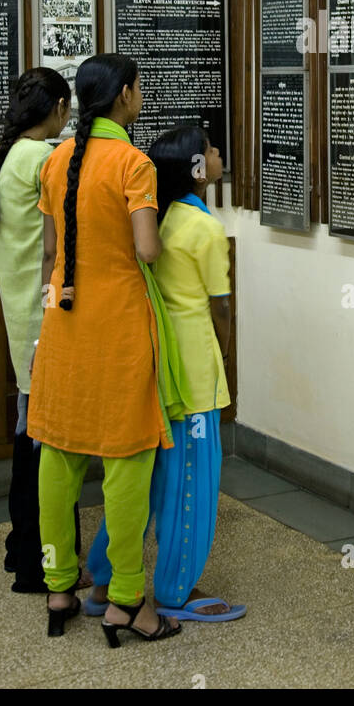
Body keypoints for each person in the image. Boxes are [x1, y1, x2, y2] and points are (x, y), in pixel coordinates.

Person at [27, 53, 182, 644]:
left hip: (63, 322)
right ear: (123, 96)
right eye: (139, 88)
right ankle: (125, 602)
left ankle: (59, 586)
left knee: (58, 456)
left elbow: (49, 254)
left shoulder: (57, 158)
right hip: (118, 326)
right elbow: (146, 251)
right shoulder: (133, 162)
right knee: (126, 461)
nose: (141, 96)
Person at [85, 125, 245, 623]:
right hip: (194, 372)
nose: (219, 155)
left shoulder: (158, 219)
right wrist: (225, 359)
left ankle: (103, 578)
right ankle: (177, 589)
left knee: (141, 477)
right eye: (213, 150)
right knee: (192, 480)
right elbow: (221, 309)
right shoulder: (207, 230)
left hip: (153, 361)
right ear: (199, 169)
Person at [0, 67, 75, 594]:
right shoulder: (45, 159)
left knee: (27, 431)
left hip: (19, 320)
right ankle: (44, 562)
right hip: (49, 320)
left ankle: (23, 551)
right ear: (59, 108)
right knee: (47, 444)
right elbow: (59, 243)